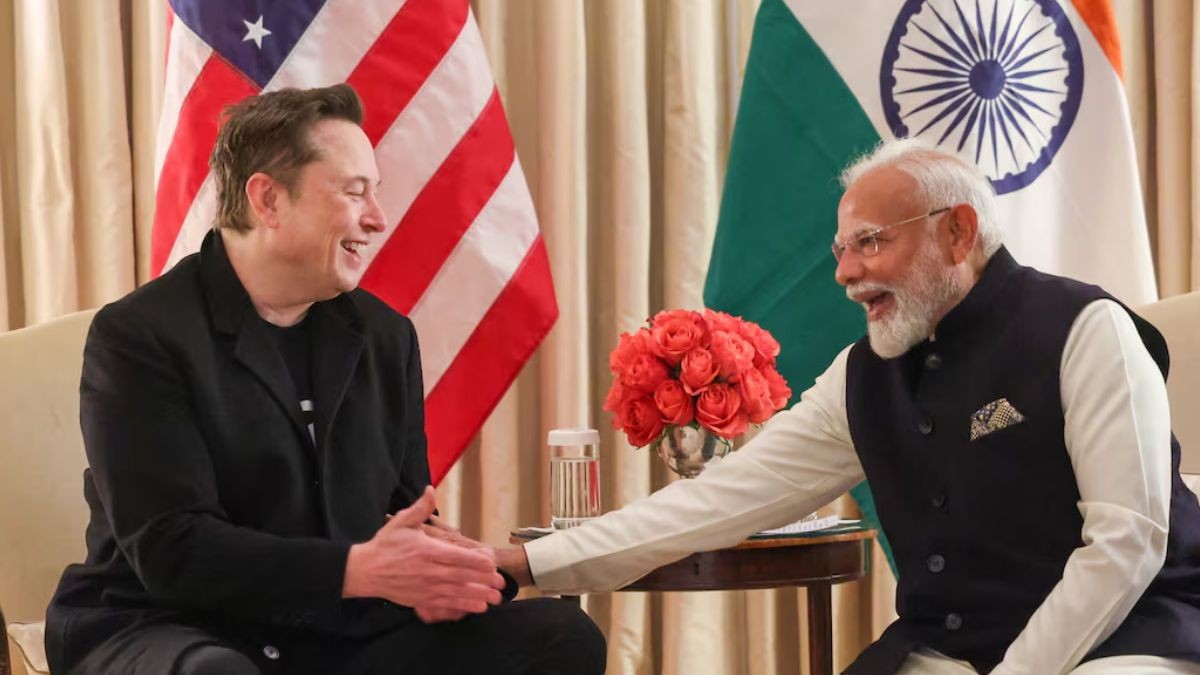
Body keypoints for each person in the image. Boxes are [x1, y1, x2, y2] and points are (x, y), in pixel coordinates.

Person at [494, 138, 1200, 674]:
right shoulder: (861, 375)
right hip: (949, 651)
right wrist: (529, 563)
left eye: (870, 243)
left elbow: (1126, 545)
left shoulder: (1087, 330)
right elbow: (714, 502)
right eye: (841, 249)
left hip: (1124, 639)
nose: (844, 273)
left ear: (957, 232)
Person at [46, 84, 605, 675]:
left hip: (337, 627)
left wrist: (441, 572)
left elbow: (401, 516)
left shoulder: (385, 337)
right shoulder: (140, 336)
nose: (378, 218)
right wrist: (355, 571)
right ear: (268, 199)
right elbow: (171, 551)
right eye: (354, 192)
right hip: (170, 622)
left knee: (561, 636)